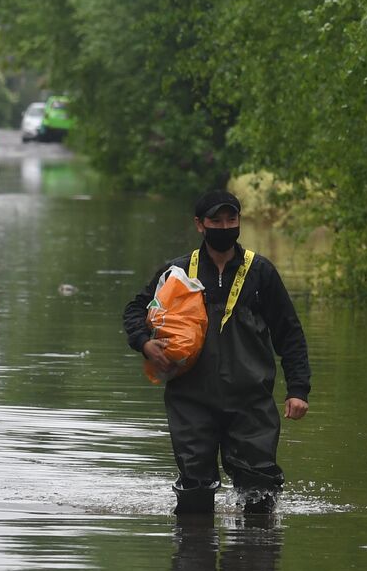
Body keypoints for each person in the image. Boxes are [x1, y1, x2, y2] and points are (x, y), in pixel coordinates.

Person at [122, 189, 310, 514]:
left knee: (260, 493)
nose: (224, 227)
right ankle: (194, 555)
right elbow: (135, 310)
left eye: (231, 219)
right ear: (200, 224)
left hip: (251, 401)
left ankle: (253, 560)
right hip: (190, 398)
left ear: (239, 222)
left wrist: (298, 389)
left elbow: (289, 332)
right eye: (216, 221)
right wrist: (144, 342)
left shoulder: (260, 272)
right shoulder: (179, 272)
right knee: (195, 493)